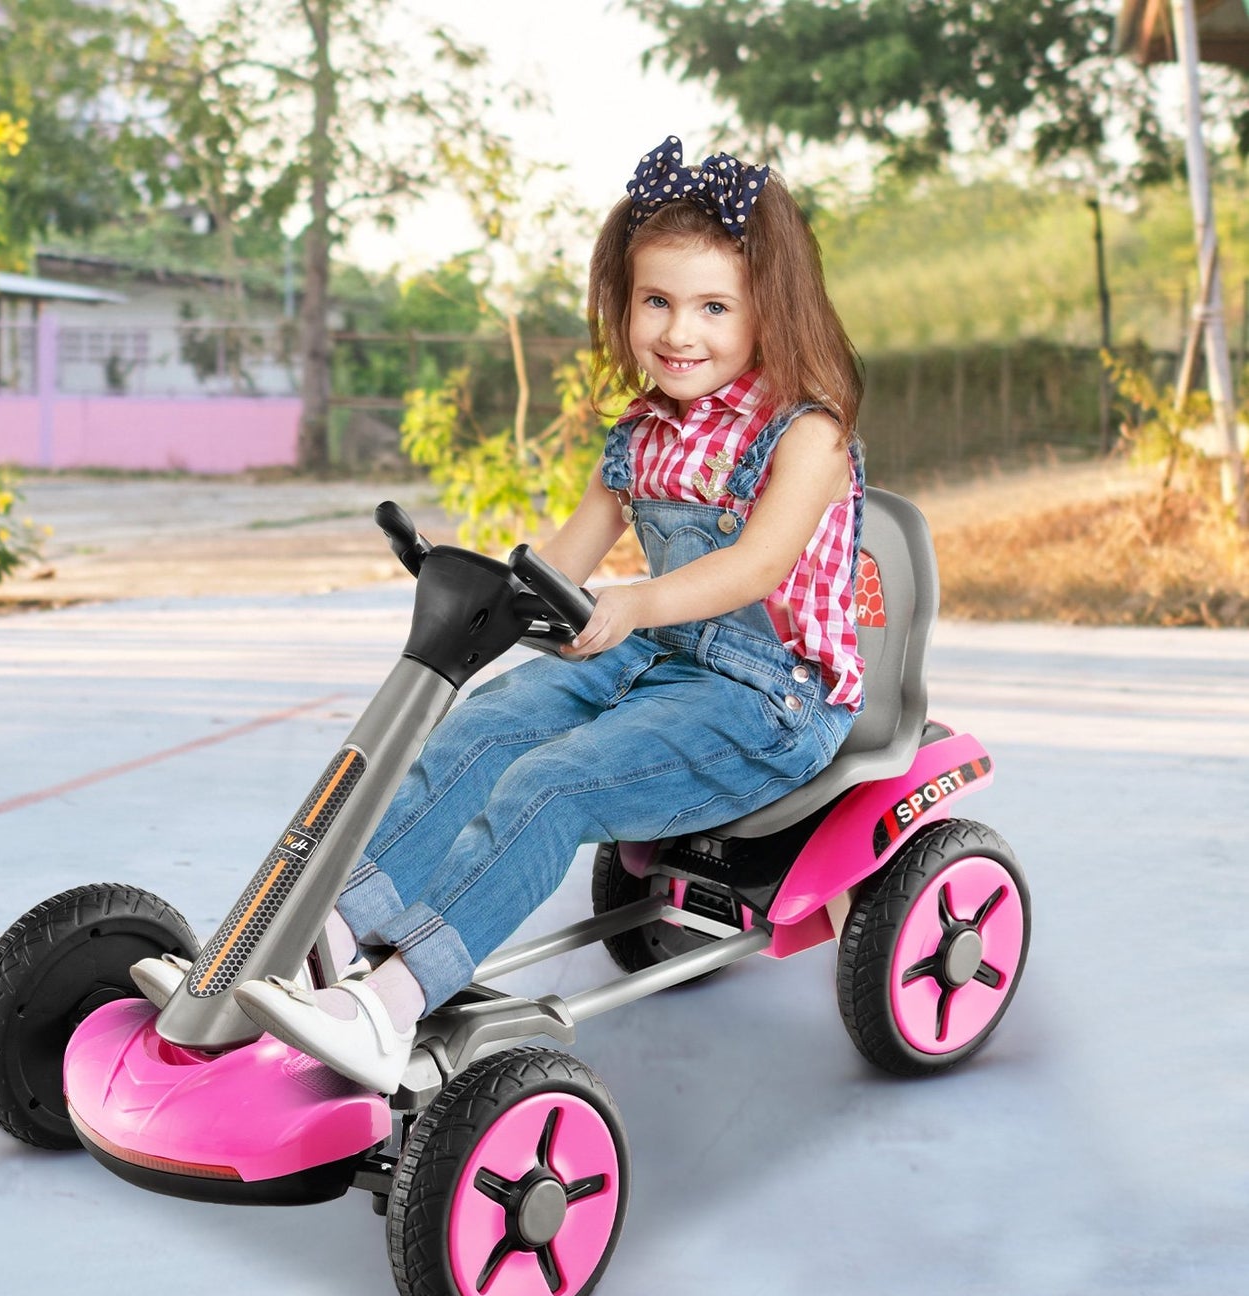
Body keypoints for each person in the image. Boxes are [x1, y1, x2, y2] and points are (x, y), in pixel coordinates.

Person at [233, 134, 867, 1092]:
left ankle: (393, 1003)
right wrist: (487, 590)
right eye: (655, 301)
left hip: (767, 695)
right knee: (487, 724)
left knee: (552, 783)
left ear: (763, 312)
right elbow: (568, 551)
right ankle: (330, 926)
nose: (676, 331)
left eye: (711, 307)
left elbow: (755, 564)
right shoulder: (644, 430)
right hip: (652, 656)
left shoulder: (806, 432)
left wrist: (636, 601)